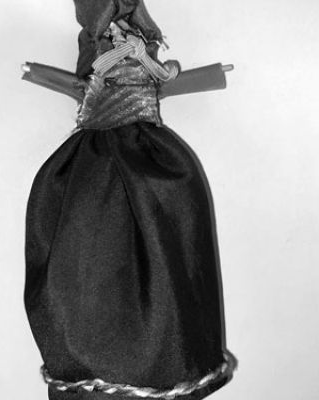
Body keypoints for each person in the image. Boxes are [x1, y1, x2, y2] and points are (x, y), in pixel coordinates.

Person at [22, 1, 237, 399]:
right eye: (112, 30)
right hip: (93, 167)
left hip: (151, 162)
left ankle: (164, 349)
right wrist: (38, 72)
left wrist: (187, 71)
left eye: (125, 29)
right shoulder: (103, 68)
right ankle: (94, 350)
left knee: (166, 246)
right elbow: (85, 82)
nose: (121, 35)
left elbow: (164, 77)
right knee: (87, 251)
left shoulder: (141, 62)